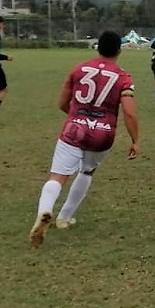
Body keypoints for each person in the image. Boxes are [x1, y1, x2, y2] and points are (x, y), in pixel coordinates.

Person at [29, 30, 140, 248]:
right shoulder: (123, 76)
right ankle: (64, 217)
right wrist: (135, 140)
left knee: (57, 177)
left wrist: (77, 118)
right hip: (103, 133)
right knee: (87, 171)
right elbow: (129, 112)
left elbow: (62, 103)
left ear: (98, 47)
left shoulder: (79, 69)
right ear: (119, 50)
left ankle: (44, 211)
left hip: (74, 128)